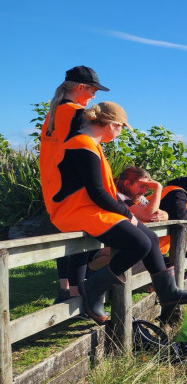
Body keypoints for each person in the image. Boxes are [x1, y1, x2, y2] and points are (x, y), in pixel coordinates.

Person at [44, 102, 187, 324]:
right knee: (140, 242)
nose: (120, 132)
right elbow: (98, 192)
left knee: (151, 237)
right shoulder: (82, 145)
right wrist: (129, 215)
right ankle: (93, 287)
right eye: (121, 127)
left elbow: (99, 193)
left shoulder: (90, 143)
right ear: (110, 124)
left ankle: (167, 293)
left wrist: (128, 216)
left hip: (88, 209)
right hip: (75, 211)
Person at [39, 65, 109, 303]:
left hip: (52, 185)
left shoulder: (52, 113)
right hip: (73, 187)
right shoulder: (78, 114)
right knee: (82, 240)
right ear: (80, 87)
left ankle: (65, 288)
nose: (94, 95)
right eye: (92, 89)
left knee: (65, 237)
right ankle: (78, 293)